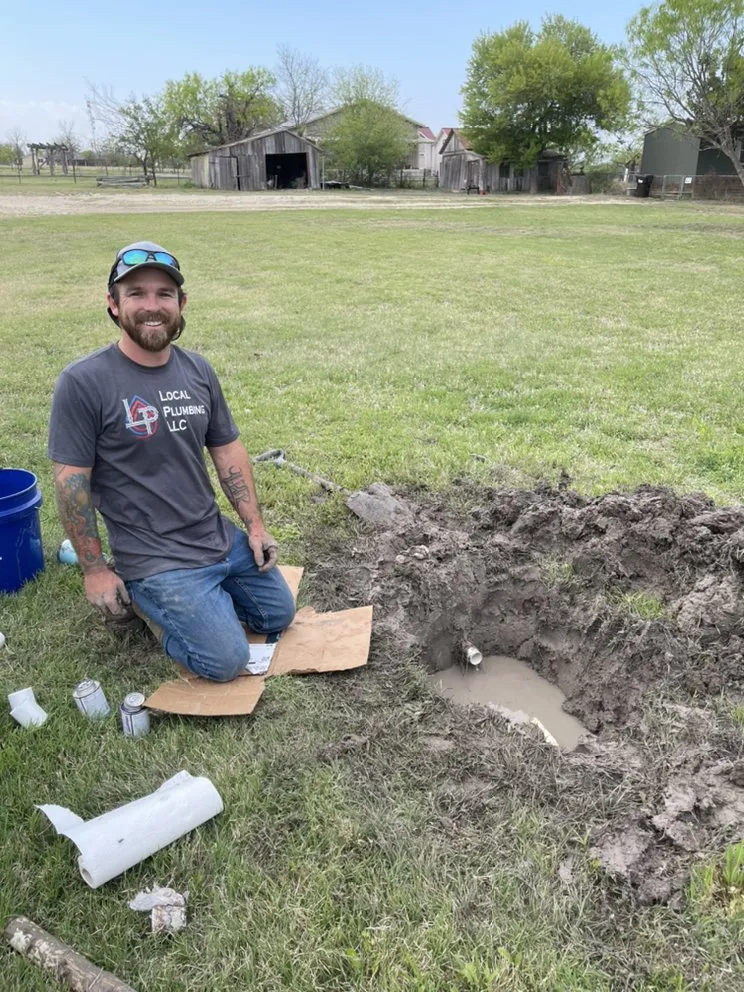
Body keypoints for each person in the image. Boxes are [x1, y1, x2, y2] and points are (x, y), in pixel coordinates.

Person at [48, 241, 296, 682]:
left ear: (181, 304)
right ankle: (148, 603)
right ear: (113, 304)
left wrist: (255, 526)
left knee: (278, 614)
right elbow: (72, 484)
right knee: (225, 662)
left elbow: (227, 450)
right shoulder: (83, 381)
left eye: (164, 294)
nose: (152, 306)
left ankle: (206, 599)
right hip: (153, 556)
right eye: (136, 293)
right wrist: (95, 570)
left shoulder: (198, 370)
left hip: (215, 537)